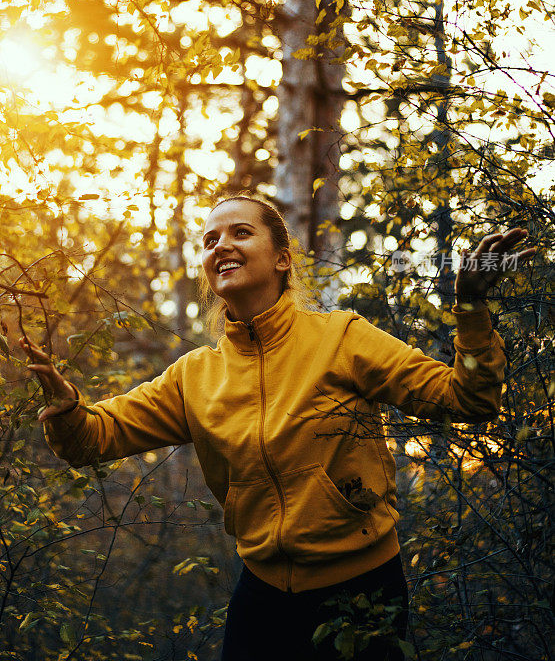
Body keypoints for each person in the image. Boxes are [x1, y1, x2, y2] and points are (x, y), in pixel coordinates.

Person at [21, 196, 535, 660]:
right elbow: (93, 438)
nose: (222, 244)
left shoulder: (342, 339)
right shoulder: (195, 375)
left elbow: (469, 399)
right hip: (263, 590)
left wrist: (469, 306)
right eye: (210, 240)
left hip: (361, 588)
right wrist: (67, 409)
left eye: (241, 232)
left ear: (282, 257)